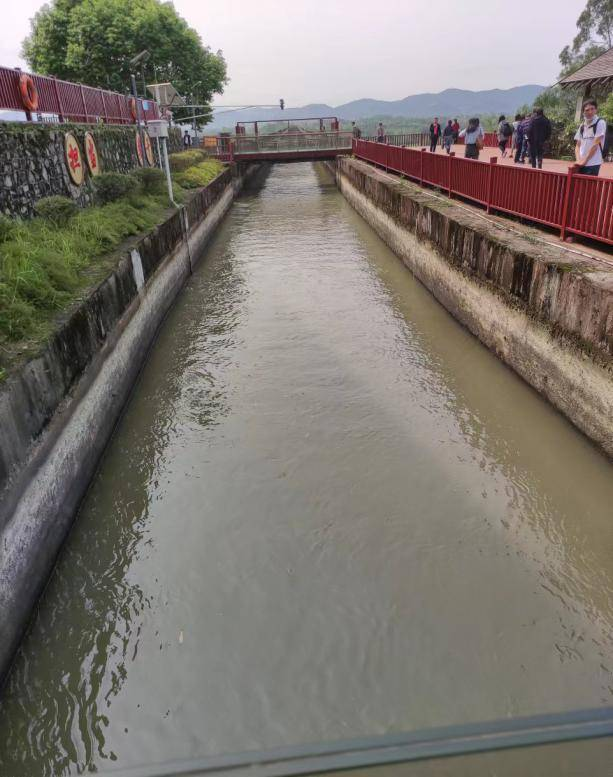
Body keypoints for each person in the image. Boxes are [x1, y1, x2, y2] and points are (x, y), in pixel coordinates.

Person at [574, 98, 607, 176]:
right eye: (587, 110)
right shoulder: (582, 125)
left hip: (593, 164)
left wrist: (584, 161)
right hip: (581, 163)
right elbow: (578, 145)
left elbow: (595, 145)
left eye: (592, 109)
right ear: (583, 112)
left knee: (588, 184)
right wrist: (578, 160)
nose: (590, 112)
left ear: (596, 110)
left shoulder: (600, 123)